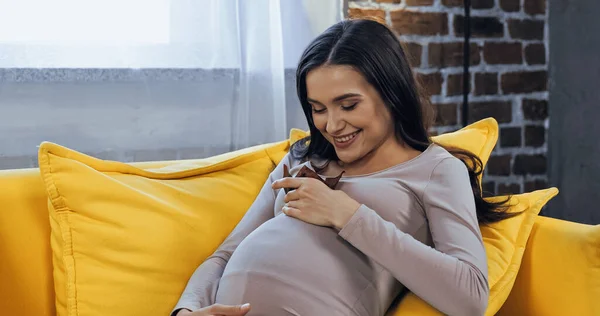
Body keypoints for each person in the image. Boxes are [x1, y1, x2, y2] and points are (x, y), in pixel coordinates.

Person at [171, 18, 514, 316]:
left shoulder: (436, 170)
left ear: (391, 93)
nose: (332, 125)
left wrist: (347, 214)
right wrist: (187, 309)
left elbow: (470, 297)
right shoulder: (301, 160)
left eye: (348, 105)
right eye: (318, 108)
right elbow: (223, 256)